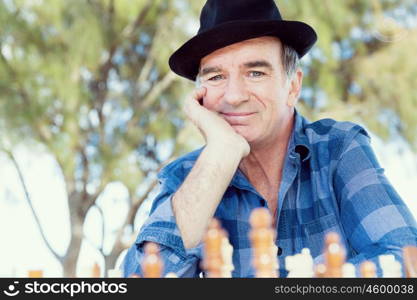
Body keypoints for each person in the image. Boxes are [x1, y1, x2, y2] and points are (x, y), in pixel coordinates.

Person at [122, 0, 417, 277]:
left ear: (293, 86)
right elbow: (141, 282)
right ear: (199, 98)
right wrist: (222, 152)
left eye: (255, 73)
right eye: (215, 77)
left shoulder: (339, 148)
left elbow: (405, 258)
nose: (234, 96)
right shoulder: (184, 177)